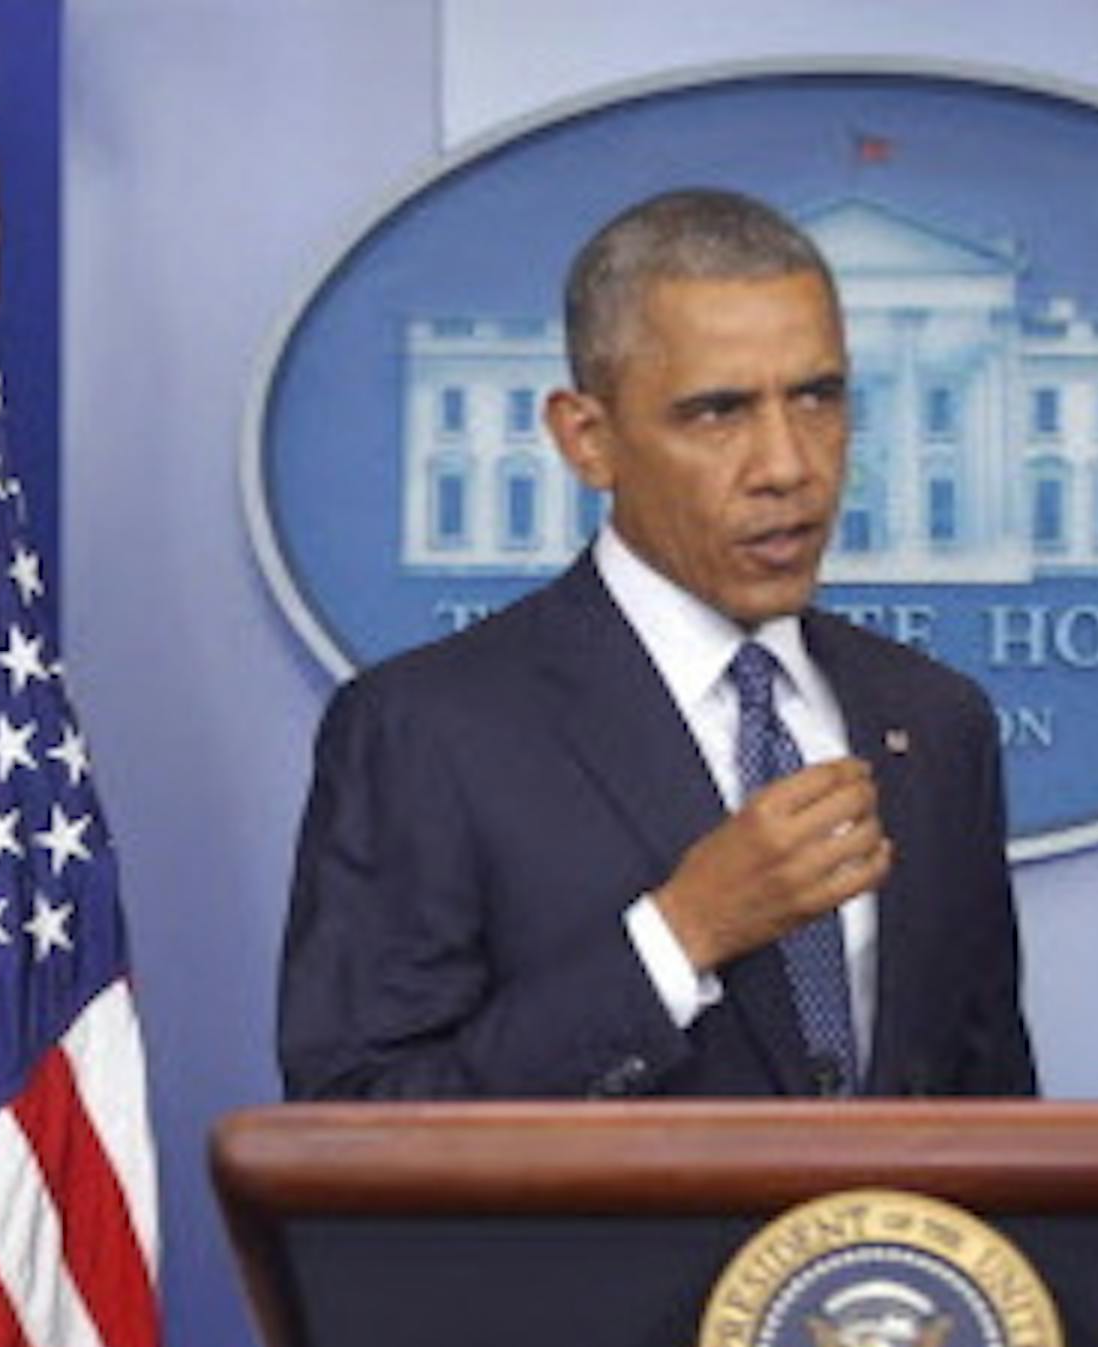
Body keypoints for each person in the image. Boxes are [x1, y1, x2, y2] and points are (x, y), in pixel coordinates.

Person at [277, 188, 1037, 1100]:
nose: (789, 465)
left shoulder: (934, 720)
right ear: (587, 440)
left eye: (817, 398)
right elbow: (359, 1126)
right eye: (718, 413)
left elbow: (987, 1119)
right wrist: (678, 938)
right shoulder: (427, 732)